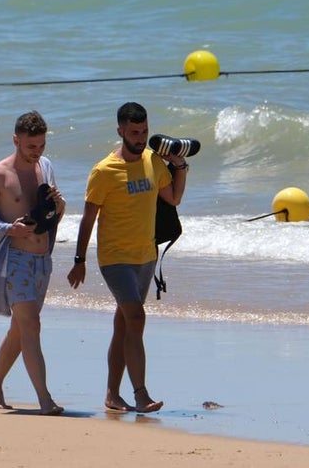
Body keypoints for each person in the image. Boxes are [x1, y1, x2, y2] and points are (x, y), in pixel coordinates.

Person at [67, 102, 187, 414]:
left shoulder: (152, 161)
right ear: (120, 130)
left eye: (144, 131)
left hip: (146, 256)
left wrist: (180, 166)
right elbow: (88, 218)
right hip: (115, 258)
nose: (141, 138)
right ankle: (141, 394)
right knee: (136, 318)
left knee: (124, 325)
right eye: (134, 132)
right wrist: (79, 260)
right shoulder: (104, 171)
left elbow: (173, 198)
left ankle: (111, 394)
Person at [0, 110, 66, 416]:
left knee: (21, 328)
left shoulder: (45, 168)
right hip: (15, 260)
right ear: (16, 140)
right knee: (31, 325)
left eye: (41, 145)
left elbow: (50, 216)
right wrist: (8, 229)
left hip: (42, 260)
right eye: (30, 146)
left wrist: (60, 207)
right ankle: (45, 399)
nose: (37, 152)